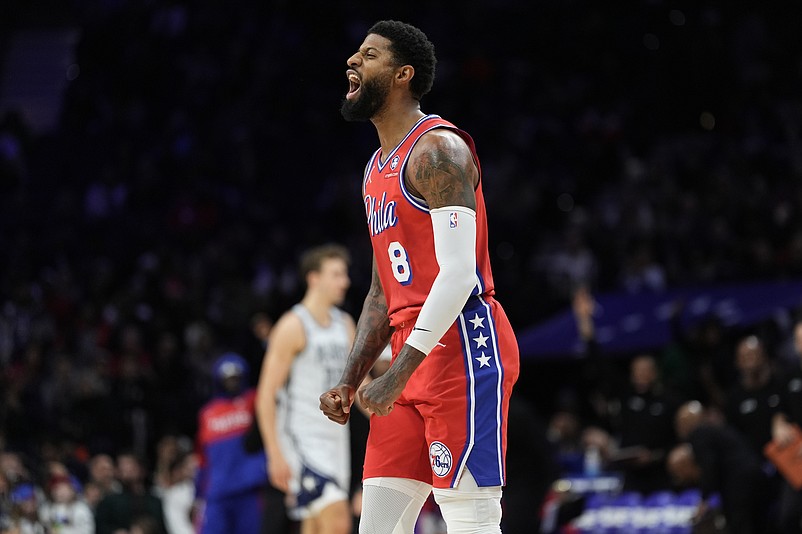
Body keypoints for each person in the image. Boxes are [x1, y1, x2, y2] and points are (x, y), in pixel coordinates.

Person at [319, 20, 520, 534]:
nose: (353, 61)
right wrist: (350, 378)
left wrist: (398, 372)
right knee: (379, 526)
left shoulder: (437, 150)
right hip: (410, 355)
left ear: (403, 74)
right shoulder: (373, 169)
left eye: (370, 54)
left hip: (461, 346)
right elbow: (381, 291)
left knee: (469, 520)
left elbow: (458, 277)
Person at [256, 244, 356, 534]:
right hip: (302, 441)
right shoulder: (292, 326)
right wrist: (274, 452)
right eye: (337, 274)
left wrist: (387, 408)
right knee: (338, 521)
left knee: (314, 525)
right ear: (314, 278)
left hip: (337, 441)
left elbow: (358, 386)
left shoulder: (345, 324)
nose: (345, 281)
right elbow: (266, 395)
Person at [195, 353, 271, 534]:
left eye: (236, 377)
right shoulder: (208, 413)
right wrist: (198, 495)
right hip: (217, 493)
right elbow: (202, 459)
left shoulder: (254, 400)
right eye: (228, 378)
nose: (233, 382)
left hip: (250, 490)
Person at [670, 401, 770, 534]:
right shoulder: (716, 429)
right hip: (756, 473)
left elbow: (709, 465)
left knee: (740, 524)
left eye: (680, 423)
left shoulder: (699, 434)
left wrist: (704, 498)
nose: (679, 428)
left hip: (739, 482)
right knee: (759, 523)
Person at [94, 452, 166, 534]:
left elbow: (162, 528)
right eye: (121, 465)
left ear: (141, 469)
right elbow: (100, 527)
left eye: (129, 464)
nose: (125, 468)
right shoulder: (109, 501)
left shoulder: (155, 502)